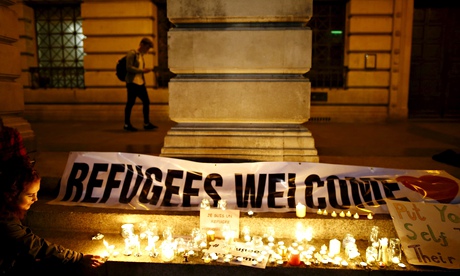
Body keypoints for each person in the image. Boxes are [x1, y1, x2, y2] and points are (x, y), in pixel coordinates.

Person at [0, 157, 104, 275]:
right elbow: (34, 245)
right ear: (11, 194)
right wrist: (77, 257)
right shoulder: (5, 223)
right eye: (30, 195)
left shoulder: (8, 210)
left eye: (37, 193)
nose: (36, 199)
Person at [124, 37, 158, 131]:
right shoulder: (132, 53)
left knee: (146, 101)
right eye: (147, 48)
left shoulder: (141, 56)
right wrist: (142, 70)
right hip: (132, 83)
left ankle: (146, 123)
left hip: (140, 83)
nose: (147, 50)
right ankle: (127, 124)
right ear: (142, 45)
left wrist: (143, 71)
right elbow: (128, 67)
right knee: (130, 103)